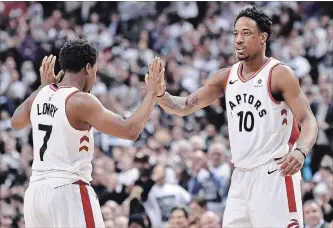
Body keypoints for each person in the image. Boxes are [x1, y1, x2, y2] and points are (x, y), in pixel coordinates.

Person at [149, 7, 318, 227]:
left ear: (263, 37)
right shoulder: (225, 76)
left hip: (273, 173)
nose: (239, 39)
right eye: (235, 33)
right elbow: (185, 106)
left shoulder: (279, 74)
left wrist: (301, 151)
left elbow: (308, 120)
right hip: (240, 176)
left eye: (246, 33)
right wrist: (161, 94)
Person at [10, 39, 164, 228]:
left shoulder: (41, 94)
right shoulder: (80, 100)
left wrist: (42, 87)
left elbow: (16, 121)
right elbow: (130, 130)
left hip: (35, 194)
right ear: (89, 68)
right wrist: (151, 94)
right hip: (67, 191)